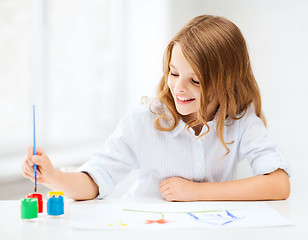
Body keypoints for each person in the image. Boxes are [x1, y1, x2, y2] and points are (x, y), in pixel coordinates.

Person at [22, 15, 290, 201]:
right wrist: (54, 177)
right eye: (173, 74)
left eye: (195, 80)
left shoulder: (241, 120)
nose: (179, 88)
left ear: (226, 81)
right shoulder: (143, 122)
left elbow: (279, 184)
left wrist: (195, 192)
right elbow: (96, 180)